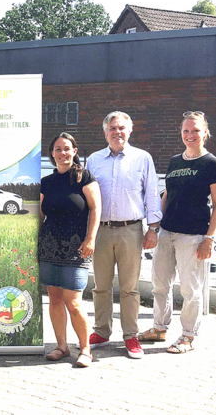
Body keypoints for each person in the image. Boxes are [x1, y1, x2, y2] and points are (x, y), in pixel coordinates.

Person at [138, 111, 216, 353]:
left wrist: (209, 238)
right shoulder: (175, 161)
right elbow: (166, 195)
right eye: (186, 131)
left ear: (205, 132)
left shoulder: (212, 164)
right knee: (159, 285)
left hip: (193, 235)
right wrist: (155, 227)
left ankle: (188, 336)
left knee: (190, 289)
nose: (190, 135)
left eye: (195, 130)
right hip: (167, 232)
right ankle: (159, 328)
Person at [86, 111, 162, 359]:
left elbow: (152, 194)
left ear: (130, 131)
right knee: (101, 286)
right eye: (112, 128)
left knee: (130, 288)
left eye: (121, 128)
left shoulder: (142, 158)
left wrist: (153, 229)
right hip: (101, 231)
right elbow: (87, 197)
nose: (117, 132)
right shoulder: (94, 160)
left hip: (131, 230)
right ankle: (101, 331)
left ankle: (130, 335)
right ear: (105, 132)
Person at [39, 133, 101, 368]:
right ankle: (62, 347)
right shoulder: (47, 182)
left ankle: (85, 349)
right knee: (54, 299)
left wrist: (91, 238)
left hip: (77, 248)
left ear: (74, 151)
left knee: (73, 301)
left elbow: (95, 209)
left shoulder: (85, 177)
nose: (62, 153)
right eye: (58, 149)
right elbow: (40, 214)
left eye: (67, 148)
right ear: (52, 154)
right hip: (49, 247)